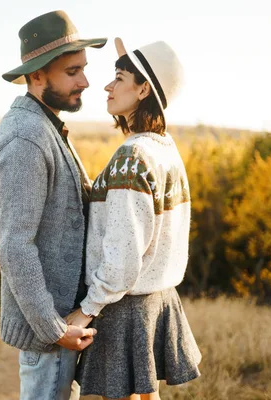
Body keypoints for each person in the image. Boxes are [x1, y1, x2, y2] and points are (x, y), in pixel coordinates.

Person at [66, 38, 202, 400]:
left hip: (124, 306)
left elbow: (124, 253)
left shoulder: (133, 155)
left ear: (143, 89)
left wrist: (86, 309)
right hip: (156, 299)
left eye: (119, 77)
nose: (108, 86)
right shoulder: (165, 149)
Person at [0, 10, 107, 400]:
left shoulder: (47, 125)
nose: (85, 81)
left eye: (83, 69)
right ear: (37, 75)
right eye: (72, 71)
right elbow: (14, 246)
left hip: (61, 326)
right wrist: (54, 330)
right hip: (51, 334)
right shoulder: (27, 138)